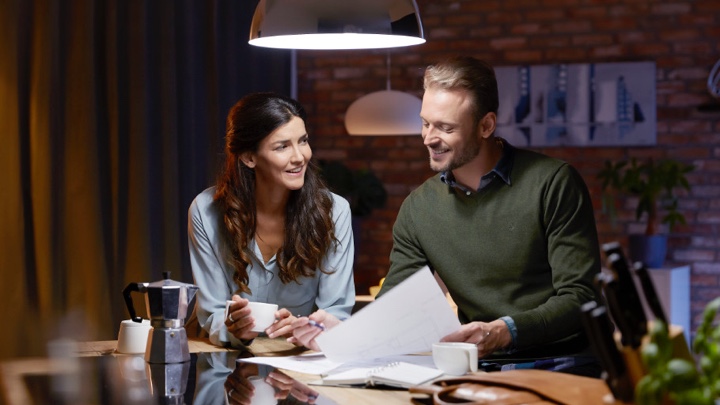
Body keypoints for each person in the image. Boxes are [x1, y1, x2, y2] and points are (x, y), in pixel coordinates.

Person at [377, 56, 602, 376]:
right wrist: (338, 331)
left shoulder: (553, 183)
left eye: (446, 127)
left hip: (563, 362)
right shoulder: (418, 208)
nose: (428, 138)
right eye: (425, 123)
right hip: (477, 367)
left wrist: (506, 330)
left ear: (486, 125)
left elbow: (582, 297)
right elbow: (394, 309)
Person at [188, 92, 355, 349]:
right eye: (282, 146)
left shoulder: (335, 211)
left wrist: (304, 328)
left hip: (300, 364)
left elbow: (336, 314)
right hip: (228, 366)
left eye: (303, 141)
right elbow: (211, 315)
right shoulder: (206, 211)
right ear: (249, 157)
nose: (300, 156)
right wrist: (235, 327)